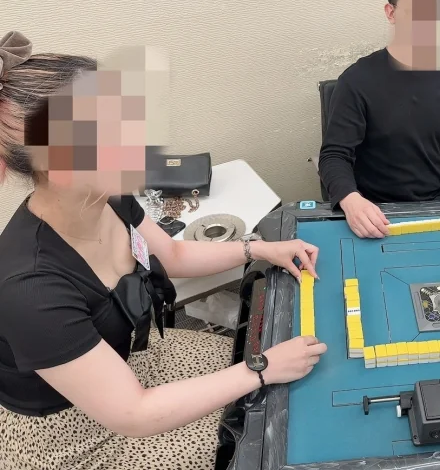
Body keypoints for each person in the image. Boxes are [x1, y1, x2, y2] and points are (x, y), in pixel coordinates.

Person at [0, 31, 327, 470]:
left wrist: (260, 248)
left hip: (137, 357)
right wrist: (262, 367)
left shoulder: (107, 198)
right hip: (80, 433)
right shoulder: (29, 289)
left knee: (259, 373)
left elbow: (173, 256)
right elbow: (134, 414)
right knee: (255, 436)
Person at [318, 0, 440, 239]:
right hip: (373, 211)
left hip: (433, 205)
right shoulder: (356, 80)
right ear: (391, 13)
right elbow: (334, 155)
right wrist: (351, 200)